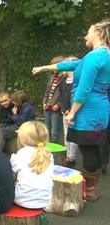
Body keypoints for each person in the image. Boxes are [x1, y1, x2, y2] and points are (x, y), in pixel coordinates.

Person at [32, 20, 110, 201]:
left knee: (88, 149)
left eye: (88, 32)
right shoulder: (102, 55)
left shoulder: (95, 57)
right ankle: (92, 188)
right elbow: (72, 65)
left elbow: (84, 88)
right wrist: (45, 67)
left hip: (88, 110)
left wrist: (73, 112)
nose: (85, 36)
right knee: (94, 147)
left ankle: (90, 190)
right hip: (99, 109)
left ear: (98, 33)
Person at [10, 121, 54, 209]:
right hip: (45, 200)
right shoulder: (48, 155)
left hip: (22, 200)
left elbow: (12, 174)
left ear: (23, 139)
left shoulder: (20, 155)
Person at [58, 56, 80, 168]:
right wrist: (64, 109)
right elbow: (61, 96)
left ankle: (72, 158)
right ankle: (67, 155)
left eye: (66, 64)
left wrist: (71, 110)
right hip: (65, 112)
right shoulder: (62, 80)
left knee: (73, 135)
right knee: (66, 134)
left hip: (74, 113)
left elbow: (78, 97)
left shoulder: (78, 80)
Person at [42, 56, 65, 144]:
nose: (52, 68)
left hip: (56, 109)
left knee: (54, 132)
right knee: (47, 130)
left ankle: (55, 152)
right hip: (47, 108)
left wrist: (58, 105)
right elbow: (47, 92)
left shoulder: (64, 77)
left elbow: (65, 94)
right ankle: (47, 150)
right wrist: (44, 103)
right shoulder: (52, 77)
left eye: (54, 66)